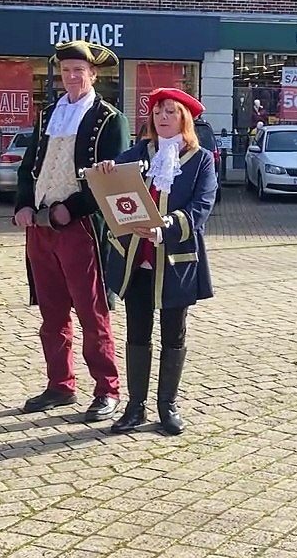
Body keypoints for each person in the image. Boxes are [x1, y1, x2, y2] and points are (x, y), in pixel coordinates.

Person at [13, 39, 131, 421]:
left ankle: (107, 389)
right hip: (41, 228)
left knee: (91, 312)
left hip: (81, 228)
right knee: (51, 313)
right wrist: (24, 205)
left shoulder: (110, 118)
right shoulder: (48, 114)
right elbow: (29, 165)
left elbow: (110, 181)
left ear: (93, 74)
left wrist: (73, 208)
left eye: (79, 70)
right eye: (66, 71)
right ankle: (60, 385)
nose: (72, 77)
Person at [92, 88, 217, 435]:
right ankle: (135, 407)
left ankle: (168, 405)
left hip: (176, 261)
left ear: (184, 119)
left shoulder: (201, 159)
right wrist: (106, 168)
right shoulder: (139, 152)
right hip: (137, 259)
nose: (162, 118)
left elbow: (202, 207)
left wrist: (167, 226)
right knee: (137, 332)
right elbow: (114, 176)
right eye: (158, 112)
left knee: (173, 334)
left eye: (171, 112)